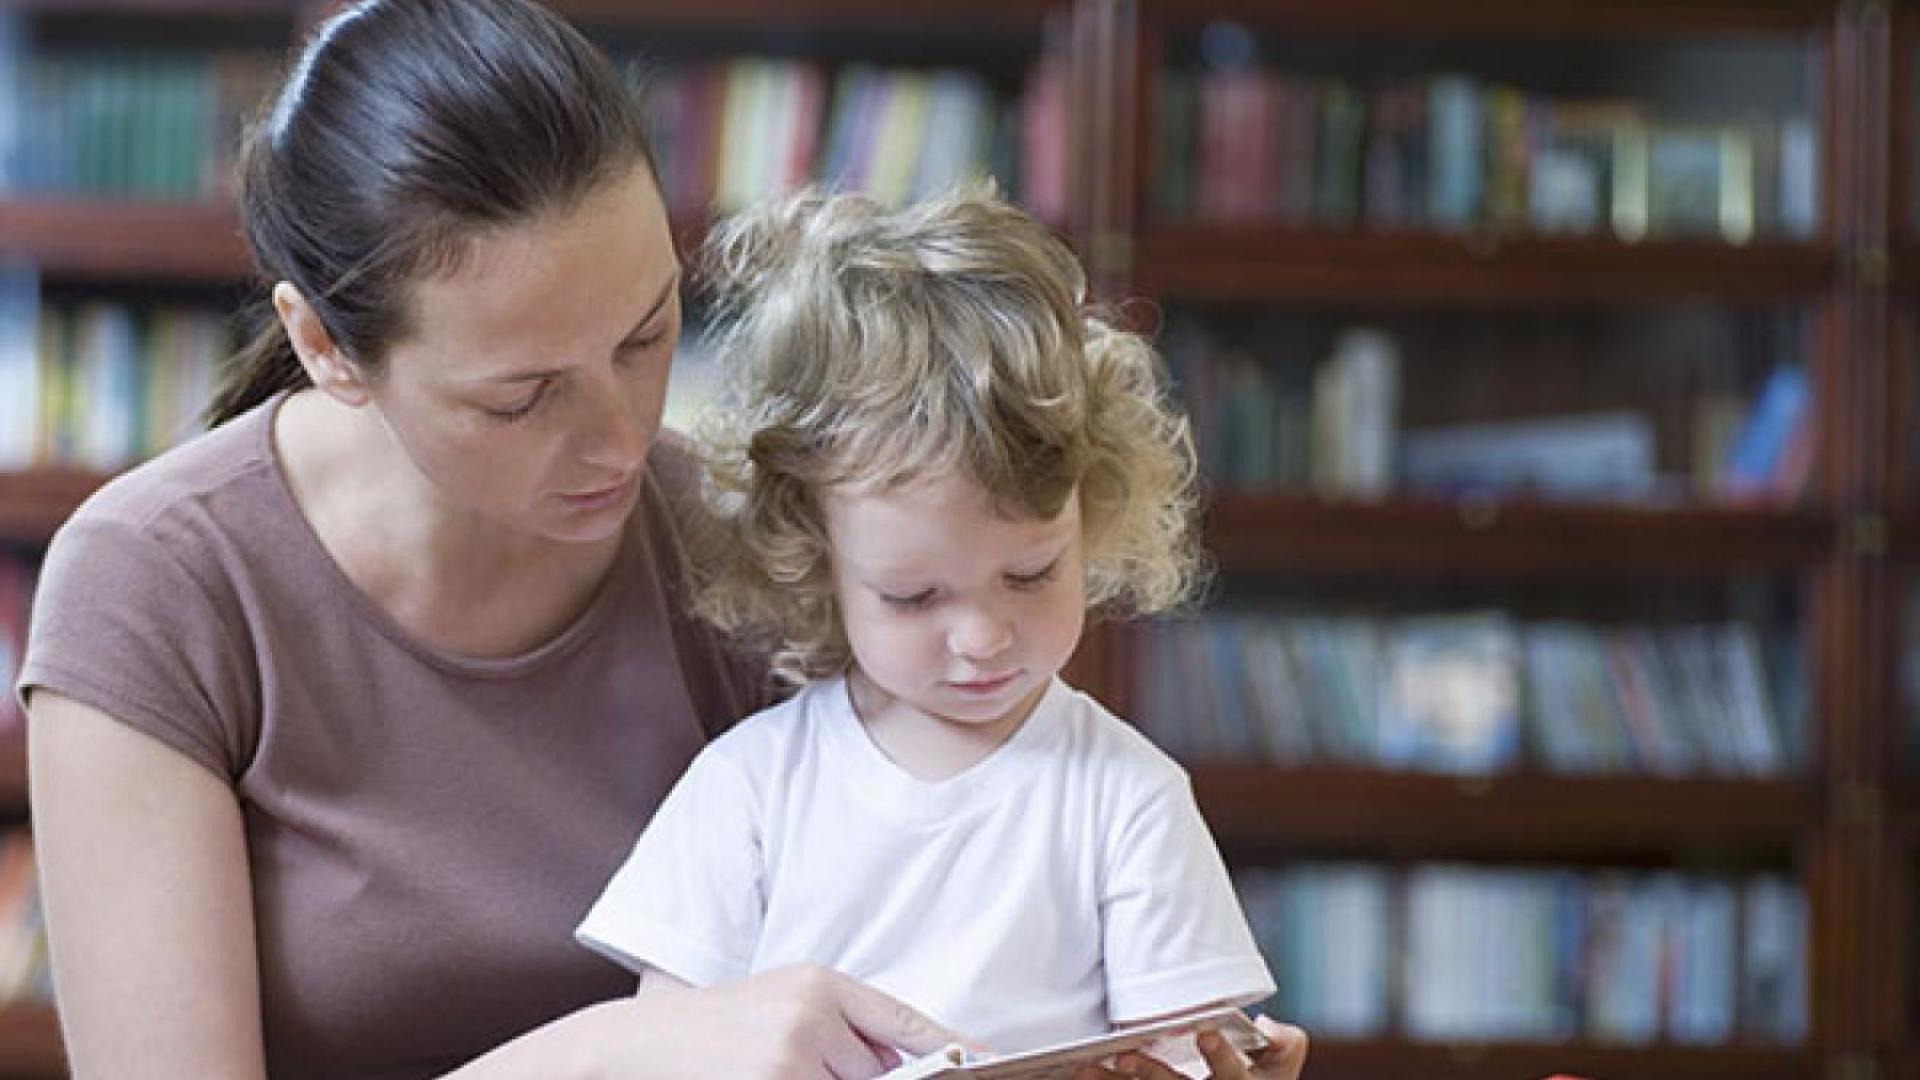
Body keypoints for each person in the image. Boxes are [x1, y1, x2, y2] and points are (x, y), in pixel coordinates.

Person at [15, 1, 988, 1076]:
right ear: (325, 346)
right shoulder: (155, 585)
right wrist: (618, 1053)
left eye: (649, 334)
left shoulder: (736, 537)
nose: (621, 439)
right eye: (523, 399)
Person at [573, 185, 1311, 1080]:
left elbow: (1191, 1055)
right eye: (915, 596)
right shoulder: (748, 791)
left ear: (1093, 515)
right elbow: (661, 1055)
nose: (982, 638)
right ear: (814, 553)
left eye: (1031, 574)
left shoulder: (1126, 800)